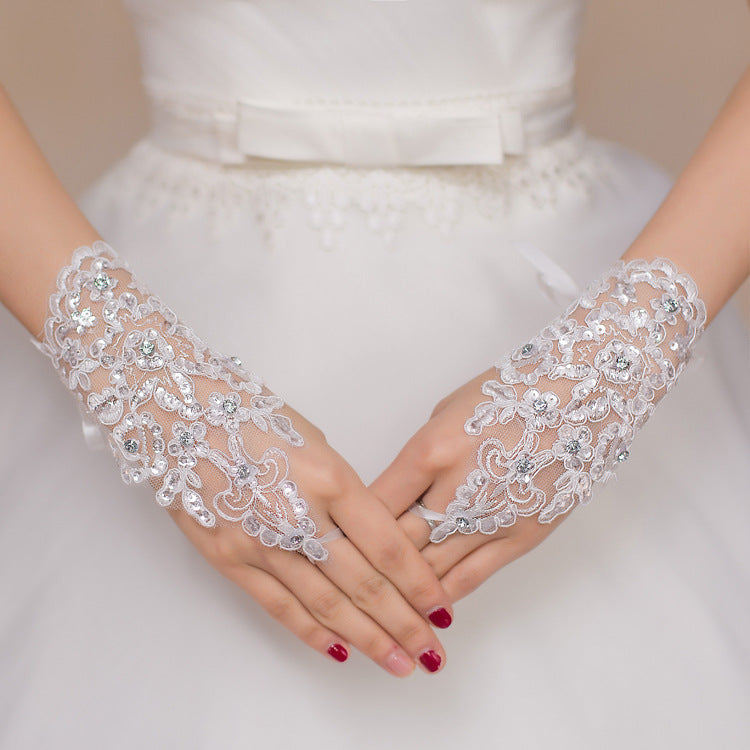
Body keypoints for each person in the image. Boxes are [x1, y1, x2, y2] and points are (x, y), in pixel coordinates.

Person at [1, 1, 748, 748]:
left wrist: (615, 363)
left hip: (595, 292)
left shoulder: (606, 363)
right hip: (158, 297)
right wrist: (139, 377)